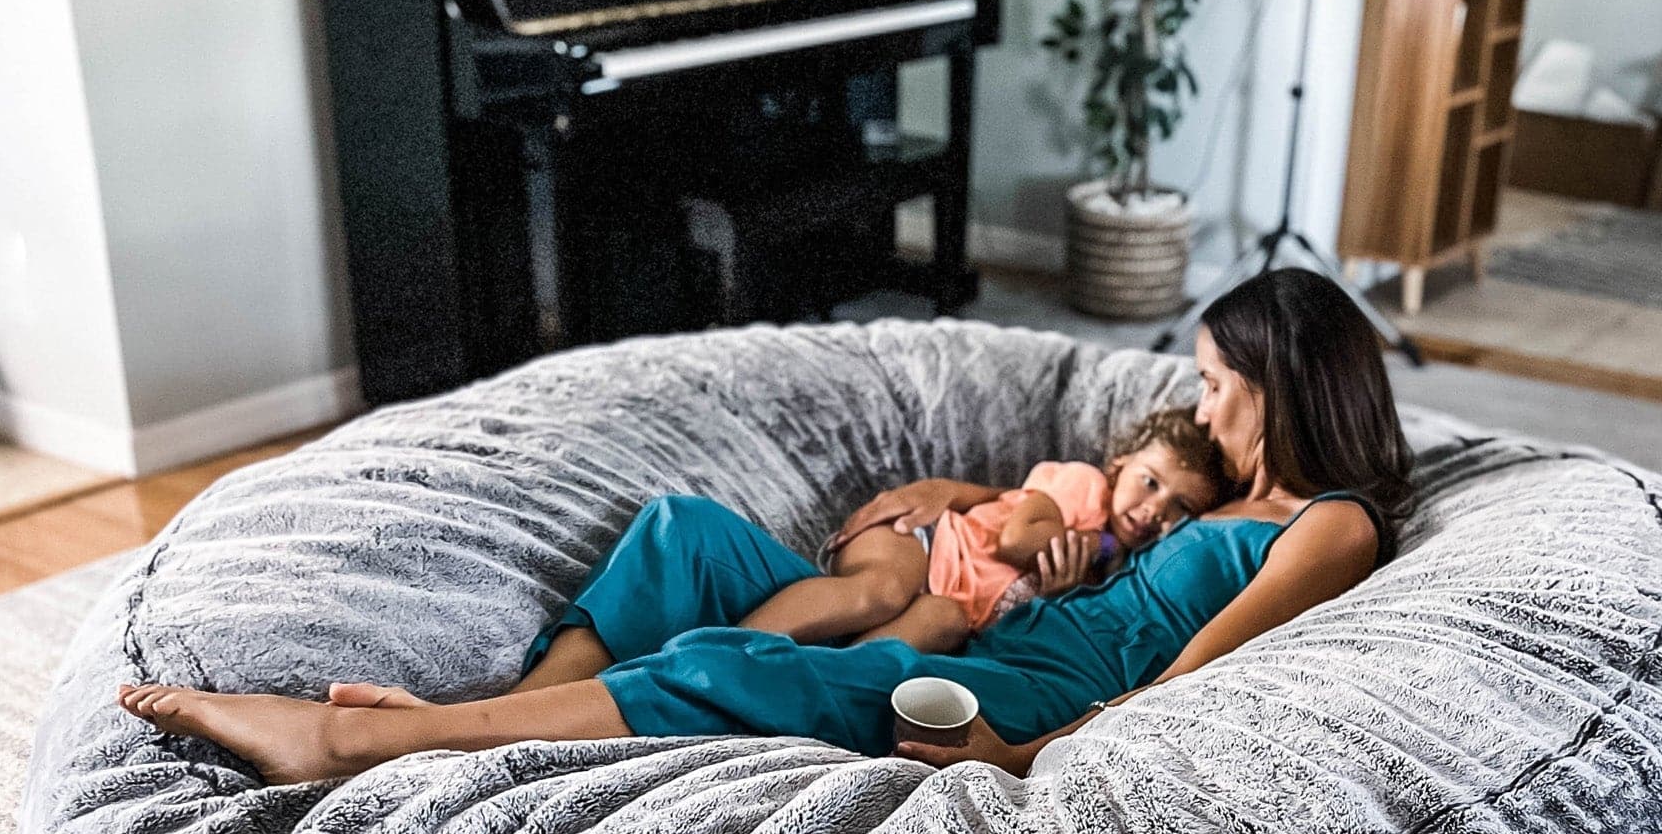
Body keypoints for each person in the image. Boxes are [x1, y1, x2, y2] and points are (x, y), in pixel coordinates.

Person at [116, 269, 1413, 784]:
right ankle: (511, 713)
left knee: (751, 664)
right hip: (996, 609)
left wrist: (1039, 749)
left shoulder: (1328, 521)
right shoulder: (1191, 483)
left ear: (1291, 386)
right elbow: (1056, 511)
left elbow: (1200, 666)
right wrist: (964, 506)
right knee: (685, 531)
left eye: (1223, 386)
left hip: (1024, 672)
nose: (1201, 404)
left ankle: (369, 743)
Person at [738, 408, 1229, 655]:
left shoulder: (1132, 574)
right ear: (1121, 465)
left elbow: (1046, 627)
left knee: (943, 621)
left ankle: (815, 674)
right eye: (1149, 482)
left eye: (1179, 507)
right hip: (924, 542)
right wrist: (1093, 550)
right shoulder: (1085, 488)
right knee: (881, 591)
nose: (1154, 510)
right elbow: (1014, 541)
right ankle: (733, 647)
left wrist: (1069, 590)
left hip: (952, 601)